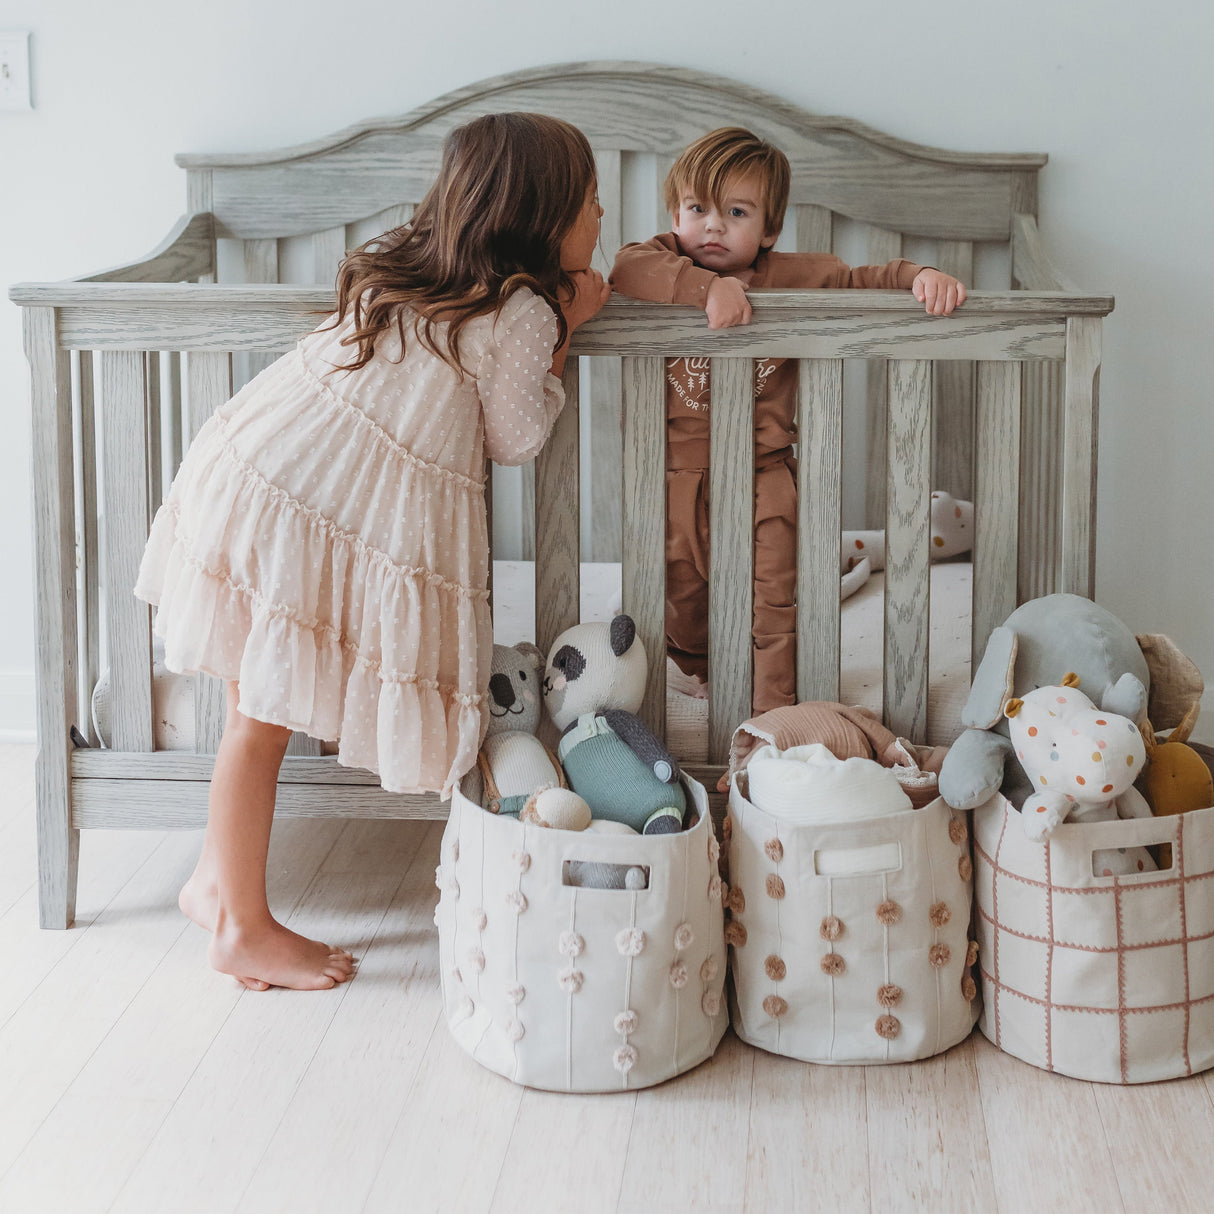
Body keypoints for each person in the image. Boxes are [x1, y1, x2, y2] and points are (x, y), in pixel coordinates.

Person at [135, 113, 609, 990]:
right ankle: (240, 925)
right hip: (296, 512)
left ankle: (213, 882)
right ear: (540, 221)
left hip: (257, 469)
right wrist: (571, 326)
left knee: (252, 711)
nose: (603, 215)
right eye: (590, 202)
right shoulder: (526, 311)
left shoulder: (410, 265)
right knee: (258, 721)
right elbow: (516, 436)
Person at [610, 127, 965, 712]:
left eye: (737, 211)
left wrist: (916, 279)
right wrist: (707, 288)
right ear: (675, 213)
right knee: (681, 593)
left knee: (774, 597)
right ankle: (698, 670)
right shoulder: (659, 266)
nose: (713, 225)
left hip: (765, 476)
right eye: (697, 208)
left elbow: (860, 282)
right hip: (673, 482)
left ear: (769, 230)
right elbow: (624, 269)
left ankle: (772, 712)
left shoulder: (797, 277)